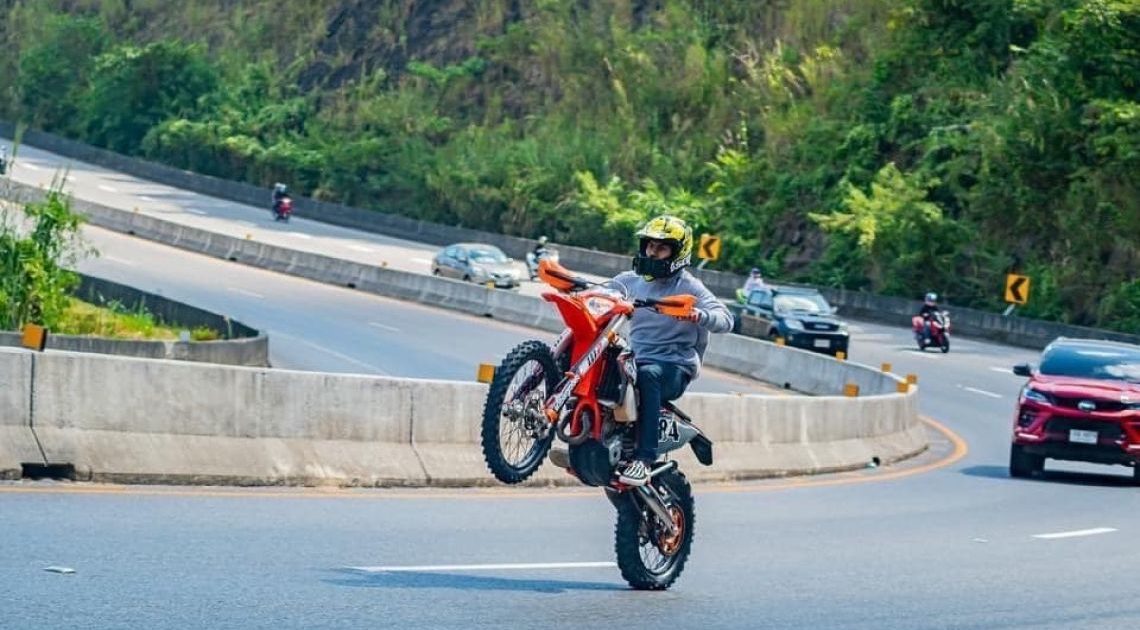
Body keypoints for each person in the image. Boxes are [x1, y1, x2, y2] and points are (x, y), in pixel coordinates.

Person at [609, 215, 733, 486]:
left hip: (673, 366)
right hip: (636, 359)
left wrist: (698, 315)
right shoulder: (629, 281)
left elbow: (726, 319)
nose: (653, 252)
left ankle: (644, 459)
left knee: (649, 374)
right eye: (650, 245)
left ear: (678, 253)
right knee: (603, 363)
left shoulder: (689, 287)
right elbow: (601, 294)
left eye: (662, 247)